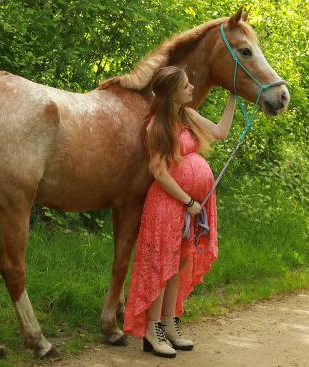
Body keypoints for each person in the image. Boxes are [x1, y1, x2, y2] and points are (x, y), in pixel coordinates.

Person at [123, 66, 236, 358]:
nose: (192, 89)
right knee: (162, 268)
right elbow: (159, 173)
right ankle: (152, 331)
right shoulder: (156, 127)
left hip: (186, 207)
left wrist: (233, 99)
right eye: (186, 86)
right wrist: (188, 201)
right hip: (167, 206)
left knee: (177, 266)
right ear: (172, 92)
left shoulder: (186, 115)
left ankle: (169, 323)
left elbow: (220, 132)